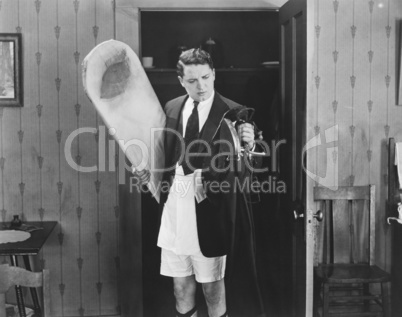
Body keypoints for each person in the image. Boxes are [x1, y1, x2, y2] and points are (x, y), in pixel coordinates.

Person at [136, 48, 265, 317]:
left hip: (212, 211)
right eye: (192, 80)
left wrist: (249, 145)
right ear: (181, 81)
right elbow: (162, 156)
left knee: (212, 290)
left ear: (214, 74)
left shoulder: (234, 114)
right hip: (175, 209)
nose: (201, 86)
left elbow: (247, 172)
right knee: (181, 288)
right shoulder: (171, 107)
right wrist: (149, 174)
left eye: (206, 77)